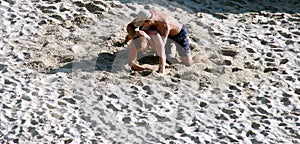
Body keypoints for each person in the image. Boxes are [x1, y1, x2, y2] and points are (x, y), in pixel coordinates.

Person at [126, 9, 208, 73]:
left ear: (149, 21)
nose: (140, 26)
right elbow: (130, 26)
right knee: (169, 58)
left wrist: (161, 70)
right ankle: (171, 48)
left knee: (188, 63)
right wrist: (133, 38)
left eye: (142, 24)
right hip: (162, 33)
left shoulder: (164, 25)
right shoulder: (145, 15)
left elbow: (161, 48)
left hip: (178, 35)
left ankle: (206, 55)